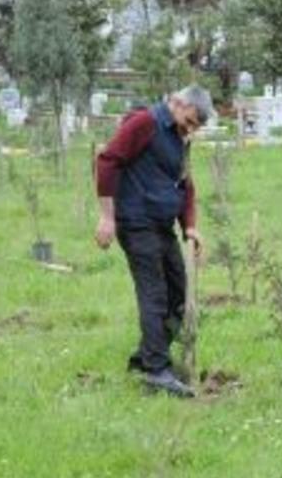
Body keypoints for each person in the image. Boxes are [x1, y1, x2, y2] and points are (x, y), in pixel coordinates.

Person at [95, 85, 213, 398]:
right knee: (155, 293)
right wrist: (107, 217)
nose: (191, 130)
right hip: (136, 223)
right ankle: (156, 370)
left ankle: (145, 356)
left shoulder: (178, 135)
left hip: (162, 226)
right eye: (189, 122)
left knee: (180, 294)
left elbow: (185, 184)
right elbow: (107, 161)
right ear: (177, 103)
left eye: (195, 127)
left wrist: (190, 227)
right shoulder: (143, 123)